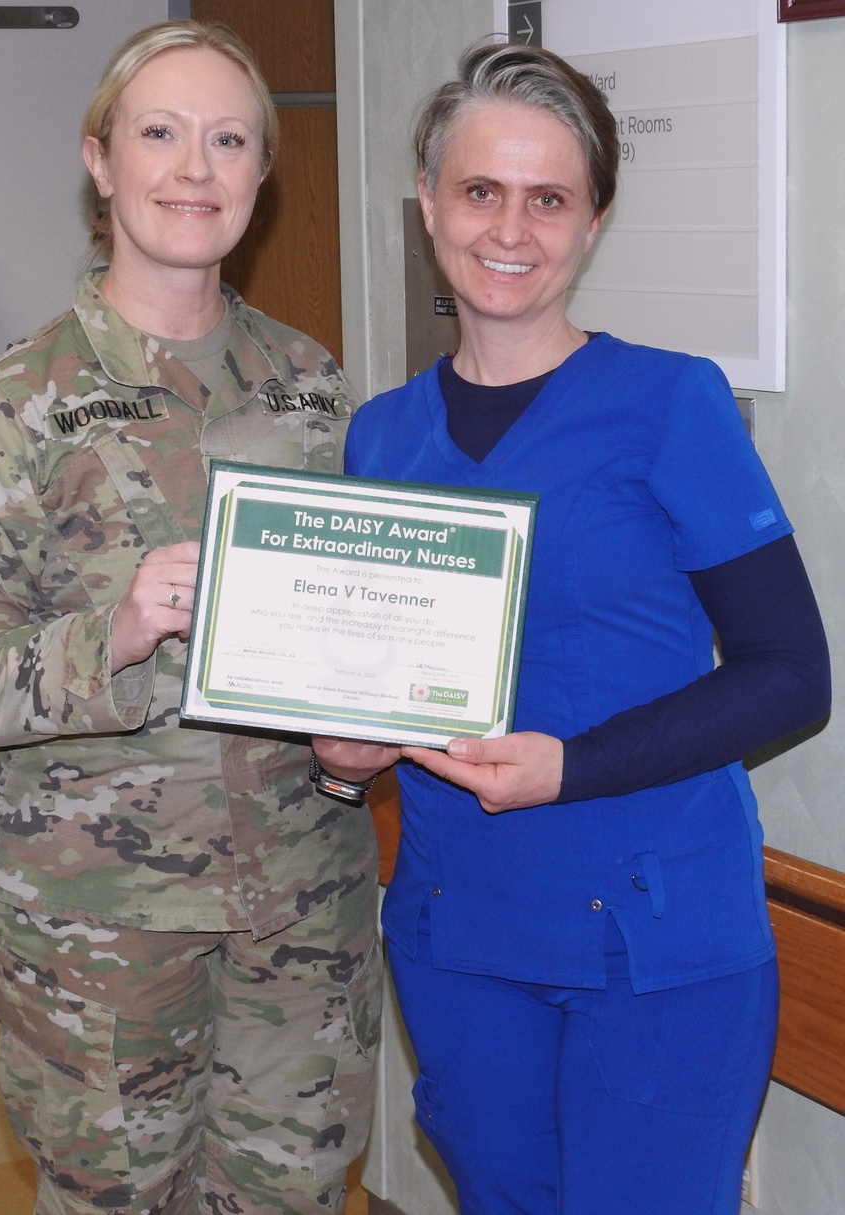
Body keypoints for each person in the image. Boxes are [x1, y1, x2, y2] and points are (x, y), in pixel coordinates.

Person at [312, 38, 831, 1215]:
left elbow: (790, 676)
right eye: (480, 190)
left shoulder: (669, 404)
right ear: (430, 205)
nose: (511, 229)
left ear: (592, 221)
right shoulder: (380, 441)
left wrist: (572, 767)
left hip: (655, 940)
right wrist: (340, 760)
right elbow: (369, 682)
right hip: (458, 935)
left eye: (550, 198)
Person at [0, 21, 381, 1215]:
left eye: (228, 140)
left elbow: (357, 627)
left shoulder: (313, 387)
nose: (193, 168)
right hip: (98, 932)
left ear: (262, 176)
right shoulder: (9, 404)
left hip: (300, 911)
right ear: (99, 162)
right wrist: (106, 635)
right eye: (158, 133)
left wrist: (365, 729)